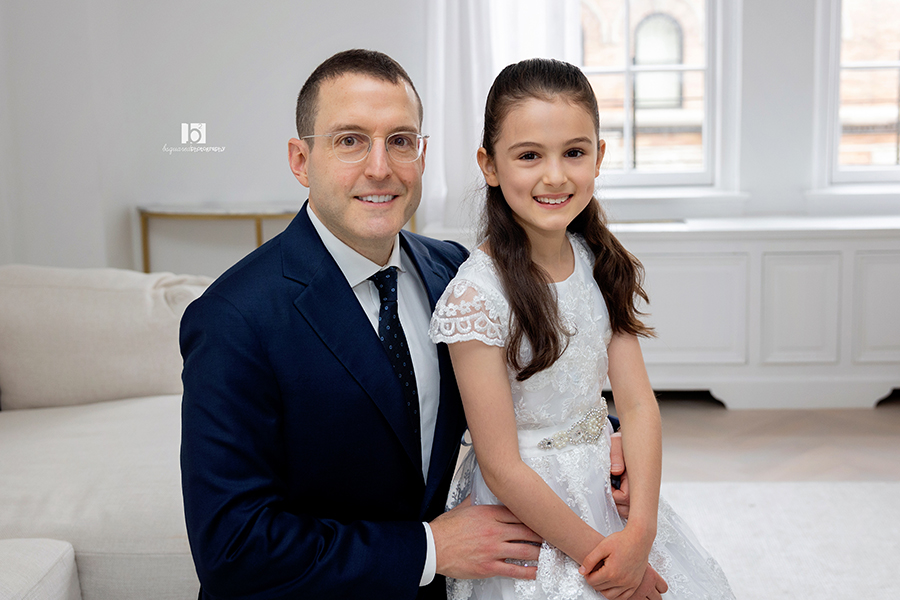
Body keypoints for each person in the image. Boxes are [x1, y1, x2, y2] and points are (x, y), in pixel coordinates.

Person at [179, 49, 653, 600]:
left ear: (422, 155)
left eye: (401, 141)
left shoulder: (454, 273)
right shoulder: (233, 319)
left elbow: (523, 392)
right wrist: (429, 549)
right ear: (301, 160)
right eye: (350, 140)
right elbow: (232, 550)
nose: (380, 167)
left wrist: (603, 440)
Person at [429, 58, 736, 600]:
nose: (555, 176)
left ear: (599, 156)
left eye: (574, 152)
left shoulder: (598, 260)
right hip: (529, 511)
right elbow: (501, 467)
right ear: (489, 165)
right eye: (529, 156)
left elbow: (637, 405)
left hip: (603, 484)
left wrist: (639, 534)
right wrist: (607, 559)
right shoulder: (476, 297)